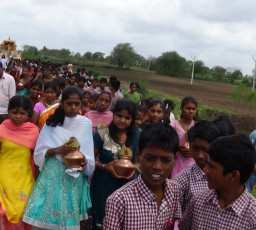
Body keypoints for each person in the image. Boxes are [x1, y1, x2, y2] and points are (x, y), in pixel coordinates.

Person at [23, 86, 95, 230]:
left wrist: (84, 161)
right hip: (54, 172)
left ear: (81, 104)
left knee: (69, 215)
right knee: (52, 215)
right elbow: (40, 151)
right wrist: (59, 150)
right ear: (62, 104)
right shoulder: (51, 123)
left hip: (75, 175)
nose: (73, 107)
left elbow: (88, 150)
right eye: (69, 103)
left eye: (77, 104)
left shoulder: (85, 123)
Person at [104, 123, 182, 229]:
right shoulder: (119, 201)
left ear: (175, 160)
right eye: (150, 158)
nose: (157, 167)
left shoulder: (175, 191)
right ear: (138, 156)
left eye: (166, 160)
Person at [179, 135, 256, 230]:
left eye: (211, 166)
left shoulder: (253, 217)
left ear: (234, 176)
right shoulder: (198, 202)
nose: (205, 170)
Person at [0, 96, 39, 230]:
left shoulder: (33, 132)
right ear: (8, 112)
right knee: (9, 214)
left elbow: (37, 159)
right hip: (4, 179)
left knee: (24, 213)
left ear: (28, 114)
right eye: (14, 112)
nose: (18, 116)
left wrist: (38, 181)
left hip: (25, 179)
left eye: (22, 113)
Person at [90, 100, 140, 230]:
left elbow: (141, 159)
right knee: (103, 220)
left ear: (132, 119)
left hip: (129, 185)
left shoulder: (137, 135)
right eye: (119, 116)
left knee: (126, 221)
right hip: (104, 184)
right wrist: (106, 167)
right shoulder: (101, 134)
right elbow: (90, 160)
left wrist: (136, 167)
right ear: (114, 115)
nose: (122, 120)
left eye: (127, 118)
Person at [174, 121, 221, 213]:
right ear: (189, 146)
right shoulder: (182, 181)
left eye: (205, 149)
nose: (200, 155)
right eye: (195, 149)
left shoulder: (225, 174)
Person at [170, 96, 198, 179]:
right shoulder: (173, 125)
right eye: (188, 108)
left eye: (193, 109)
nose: (191, 112)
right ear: (181, 109)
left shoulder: (198, 126)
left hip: (193, 162)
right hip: (177, 161)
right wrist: (178, 148)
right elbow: (167, 143)